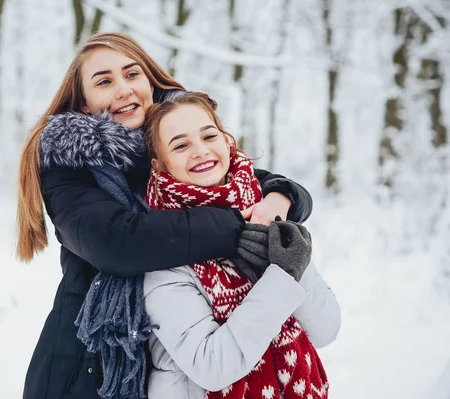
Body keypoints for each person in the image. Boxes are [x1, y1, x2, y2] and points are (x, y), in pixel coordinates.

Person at [17, 32, 314, 399]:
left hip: (174, 368)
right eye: (105, 81)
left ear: (150, 82)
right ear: (83, 106)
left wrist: (281, 197)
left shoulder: (177, 144)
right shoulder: (69, 166)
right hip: (90, 366)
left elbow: (254, 181)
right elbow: (119, 243)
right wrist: (245, 222)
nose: (124, 89)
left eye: (132, 74)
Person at [142, 91, 341, 399]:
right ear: (159, 166)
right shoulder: (165, 246)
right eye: (180, 145)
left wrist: (294, 266)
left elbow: (326, 330)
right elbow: (212, 367)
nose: (200, 151)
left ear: (227, 142)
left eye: (209, 136)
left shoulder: (262, 213)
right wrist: (281, 280)